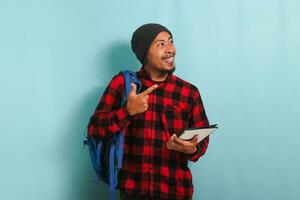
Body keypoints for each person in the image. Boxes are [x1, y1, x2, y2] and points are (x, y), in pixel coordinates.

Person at [88, 23, 210, 200]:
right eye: (161, 44)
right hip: (133, 192)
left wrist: (192, 149)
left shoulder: (188, 92)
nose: (170, 49)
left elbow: (203, 139)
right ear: (144, 52)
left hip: (175, 191)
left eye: (171, 41)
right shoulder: (122, 84)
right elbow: (95, 129)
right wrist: (127, 111)